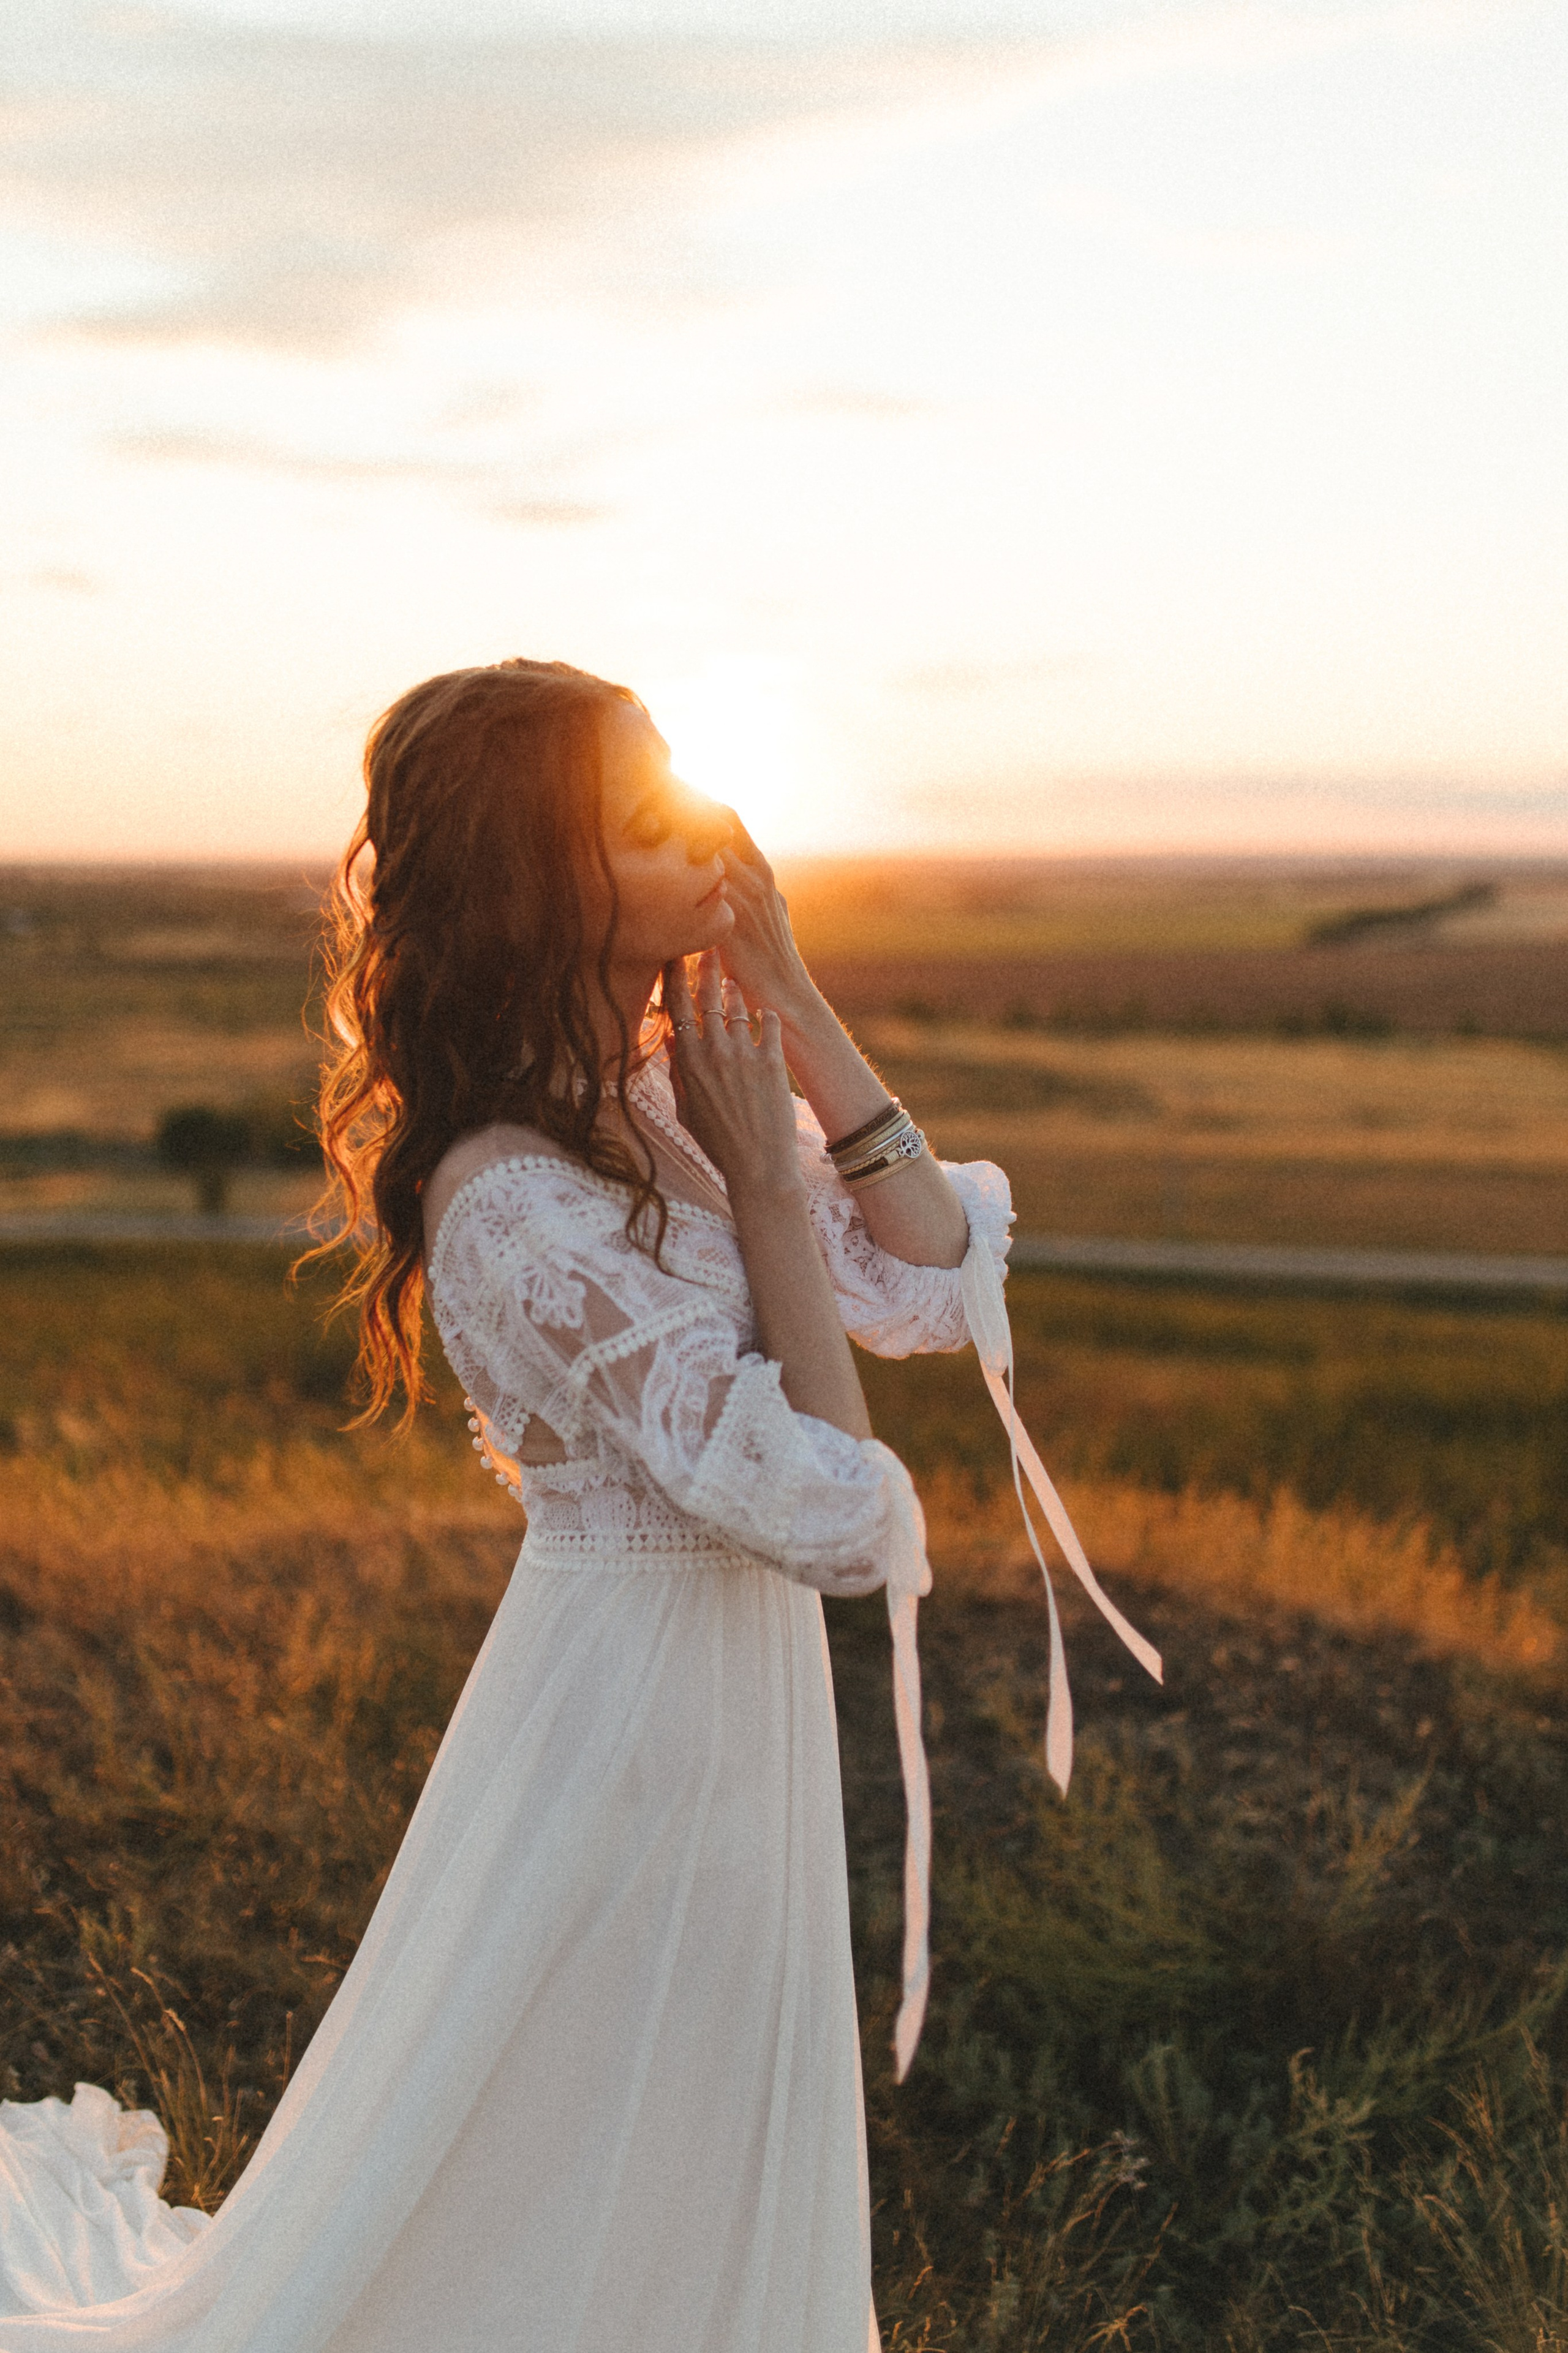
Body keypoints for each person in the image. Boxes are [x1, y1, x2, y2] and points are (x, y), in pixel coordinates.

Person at [0, 658, 1155, 2352]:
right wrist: (768, 1188)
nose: (705, 824)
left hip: (736, 1705)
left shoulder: (673, 1098)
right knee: (581, 2142)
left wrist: (794, 1001)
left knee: (702, 2131)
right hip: (625, 1720)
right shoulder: (509, 1204)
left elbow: (937, 1278)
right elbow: (838, 1515)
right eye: (644, 815)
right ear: (542, 881)